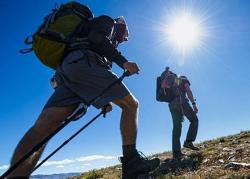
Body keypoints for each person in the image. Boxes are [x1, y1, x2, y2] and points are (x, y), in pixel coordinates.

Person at [6, 11, 159, 179]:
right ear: (121, 26)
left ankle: (15, 176)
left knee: (45, 125)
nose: (126, 39)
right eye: (127, 34)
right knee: (131, 105)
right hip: (85, 62)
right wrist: (124, 62)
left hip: (68, 70)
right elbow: (97, 39)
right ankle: (132, 166)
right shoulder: (108, 22)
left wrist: (105, 100)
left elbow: (94, 55)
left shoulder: (84, 33)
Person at [160, 67, 199, 159]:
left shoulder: (173, 81)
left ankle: (176, 153)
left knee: (177, 127)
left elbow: (163, 86)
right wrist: (194, 104)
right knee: (194, 120)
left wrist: (166, 77)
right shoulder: (183, 79)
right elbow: (188, 91)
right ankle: (189, 141)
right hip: (181, 102)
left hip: (171, 105)